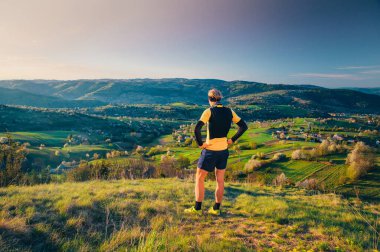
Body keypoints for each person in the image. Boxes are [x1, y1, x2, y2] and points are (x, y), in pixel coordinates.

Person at [184, 88, 248, 216]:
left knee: (199, 178)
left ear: (210, 99)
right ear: (220, 99)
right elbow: (243, 126)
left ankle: (197, 208)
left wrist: (201, 144)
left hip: (210, 151)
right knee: (220, 180)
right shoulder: (230, 111)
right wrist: (232, 140)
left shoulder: (209, 111)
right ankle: (216, 209)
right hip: (223, 150)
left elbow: (197, 129)